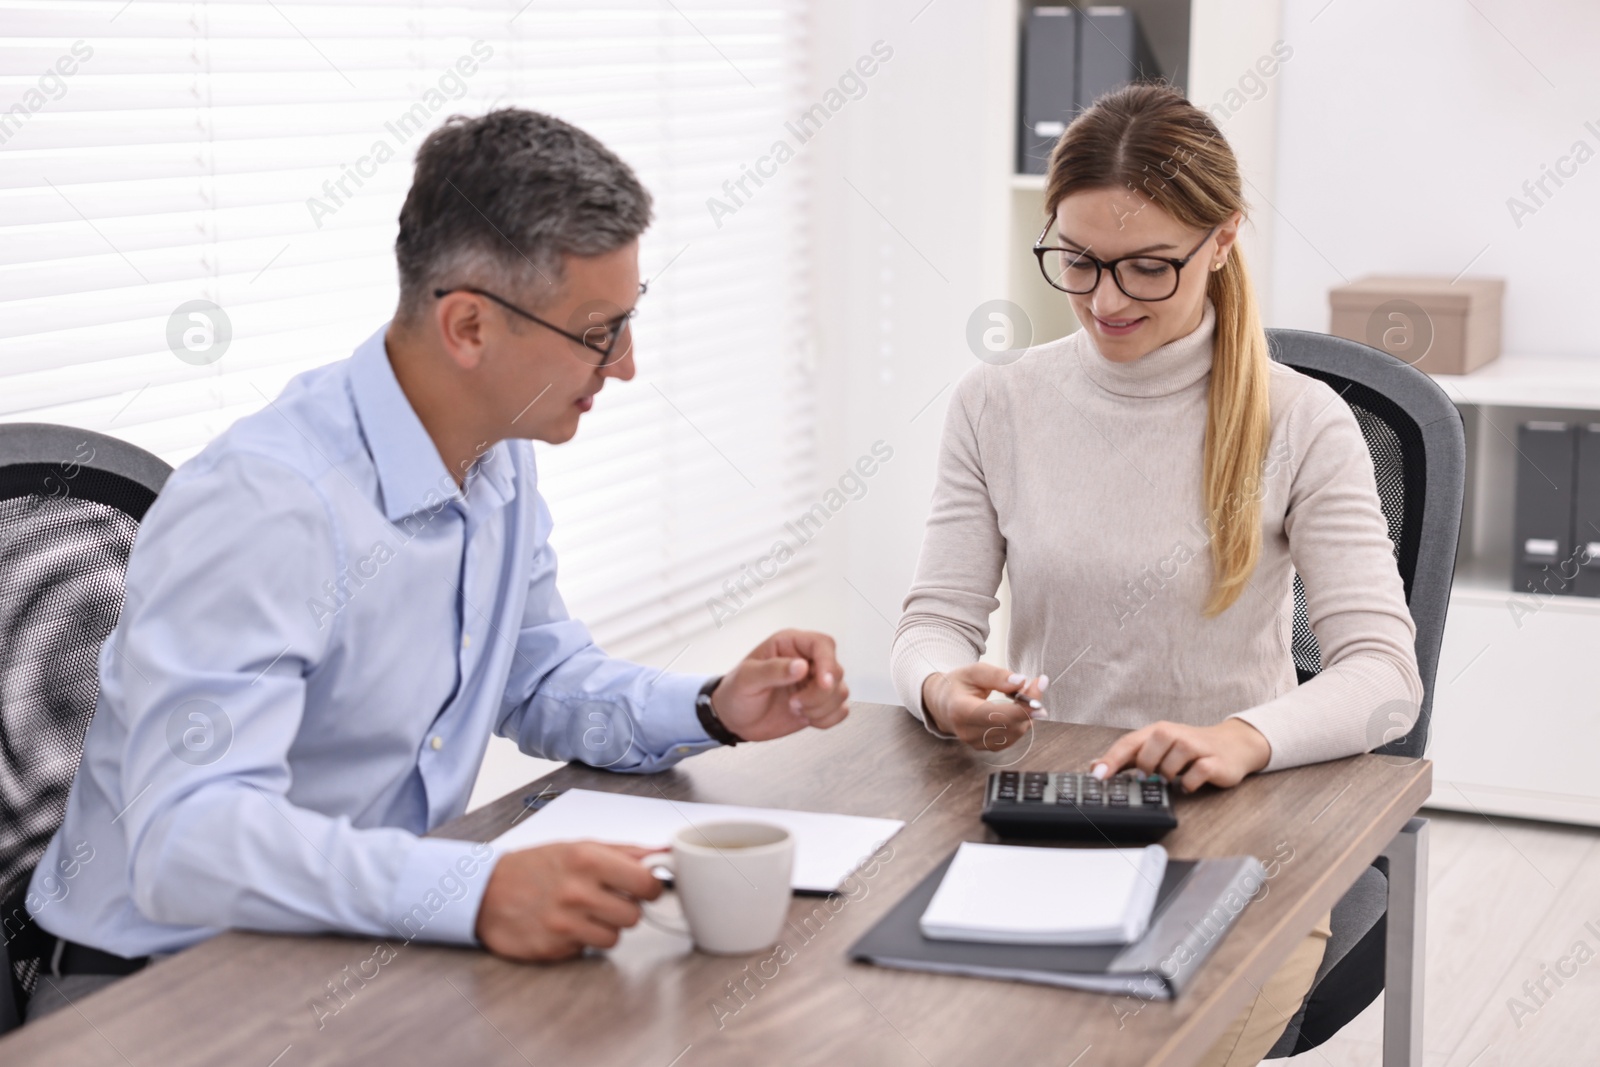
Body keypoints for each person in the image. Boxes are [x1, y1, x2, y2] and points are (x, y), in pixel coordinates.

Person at [22, 108, 850, 1022]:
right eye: (597, 332)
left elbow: (538, 674)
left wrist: (709, 705)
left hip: (353, 949)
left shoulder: (498, 450)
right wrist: (478, 887)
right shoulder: (267, 504)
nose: (626, 366)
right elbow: (191, 841)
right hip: (155, 991)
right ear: (467, 326)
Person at [891, 83, 1422, 1067]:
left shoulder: (1300, 422)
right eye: (1079, 260)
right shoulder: (996, 403)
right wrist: (937, 684)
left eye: (1147, 267)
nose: (1104, 300)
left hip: (1236, 833)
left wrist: (1241, 736)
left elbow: (1385, 675)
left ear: (1221, 242)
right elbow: (931, 620)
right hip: (1043, 821)